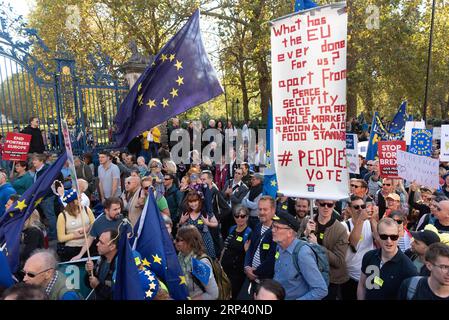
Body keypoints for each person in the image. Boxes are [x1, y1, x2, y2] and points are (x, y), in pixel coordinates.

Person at [357, 217, 418, 300]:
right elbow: (362, 285)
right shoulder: (369, 256)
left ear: (399, 236)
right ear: (377, 236)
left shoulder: (408, 269)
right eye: (384, 236)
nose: (389, 241)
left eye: (393, 237)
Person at [272, 212, 328, 300]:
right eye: (273, 226)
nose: (273, 230)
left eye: (277, 227)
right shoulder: (279, 246)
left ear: (290, 232)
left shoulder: (303, 254)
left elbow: (321, 290)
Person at [302, 199, 349, 300]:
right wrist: (305, 234)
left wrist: (317, 246)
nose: (326, 207)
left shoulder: (340, 229)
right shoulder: (307, 221)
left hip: (330, 280)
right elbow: (295, 247)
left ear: (334, 205)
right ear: (317, 204)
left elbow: (338, 261)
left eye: (330, 204)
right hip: (308, 276)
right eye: (323, 204)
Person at [341, 195, 378, 300]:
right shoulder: (343, 226)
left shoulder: (369, 223)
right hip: (351, 276)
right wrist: (361, 220)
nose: (360, 209)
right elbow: (353, 242)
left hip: (370, 275)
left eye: (363, 206)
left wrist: (374, 220)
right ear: (349, 209)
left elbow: (379, 241)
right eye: (356, 207)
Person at [240, 196, 277, 300]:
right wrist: (247, 267)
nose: (261, 212)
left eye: (265, 209)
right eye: (260, 209)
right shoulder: (257, 226)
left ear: (273, 210)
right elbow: (250, 248)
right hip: (250, 278)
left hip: (265, 282)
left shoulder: (276, 231)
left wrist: (255, 273)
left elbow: (271, 261)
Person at [175, 225, 219, 300]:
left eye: (179, 240)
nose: (175, 242)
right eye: (176, 239)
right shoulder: (180, 255)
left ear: (190, 242)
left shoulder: (199, 263)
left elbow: (213, 294)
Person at [220, 206, 252, 300]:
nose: (239, 218)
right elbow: (225, 248)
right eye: (237, 216)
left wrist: (247, 251)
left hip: (237, 272)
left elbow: (250, 254)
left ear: (247, 217)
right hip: (225, 269)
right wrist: (220, 263)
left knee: (233, 295)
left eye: (242, 216)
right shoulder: (232, 228)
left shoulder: (249, 232)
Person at [56, 189, 95, 262]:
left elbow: (95, 225)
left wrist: (88, 228)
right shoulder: (62, 216)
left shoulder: (87, 209)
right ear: (72, 202)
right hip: (72, 249)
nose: (81, 199)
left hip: (89, 246)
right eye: (78, 198)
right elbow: (60, 238)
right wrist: (74, 235)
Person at [178, 191, 218, 259]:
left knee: (206, 262)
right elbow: (180, 225)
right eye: (190, 202)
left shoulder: (204, 212)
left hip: (205, 242)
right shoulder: (186, 212)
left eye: (195, 201)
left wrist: (207, 223)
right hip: (191, 242)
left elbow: (216, 223)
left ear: (199, 201)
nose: (193, 204)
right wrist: (182, 221)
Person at [85, 229, 119, 300]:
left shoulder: (120, 265)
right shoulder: (101, 259)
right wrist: (90, 273)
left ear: (112, 247)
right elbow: (90, 284)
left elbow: (117, 295)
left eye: (101, 242)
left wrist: (98, 285)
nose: (97, 244)